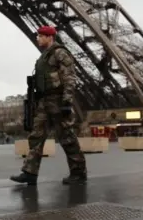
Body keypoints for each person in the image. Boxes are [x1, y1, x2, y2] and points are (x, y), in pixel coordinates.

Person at [10, 25, 87, 186]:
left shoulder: (60, 53)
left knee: (67, 137)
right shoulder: (44, 57)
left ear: (49, 37)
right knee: (36, 136)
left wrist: (67, 101)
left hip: (58, 101)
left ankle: (78, 172)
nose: (37, 38)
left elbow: (70, 78)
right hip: (44, 101)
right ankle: (29, 172)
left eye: (40, 36)